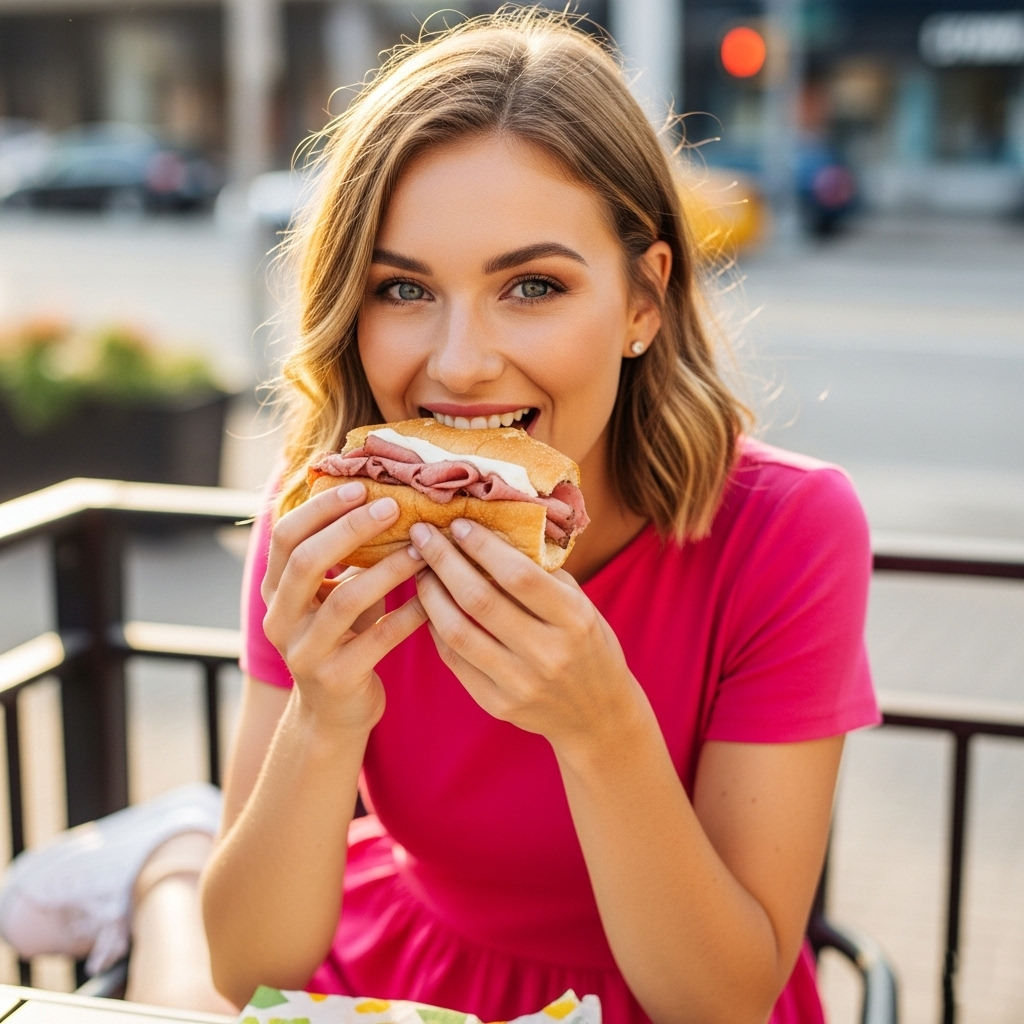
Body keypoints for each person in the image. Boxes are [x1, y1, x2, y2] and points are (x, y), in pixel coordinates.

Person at [0, 10, 878, 1024]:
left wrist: (601, 730)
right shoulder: (328, 522)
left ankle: (165, 853)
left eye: (532, 286)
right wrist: (324, 717)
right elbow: (247, 963)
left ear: (644, 299)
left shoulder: (787, 530)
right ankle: (173, 863)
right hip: (397, 972)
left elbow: (721, 998)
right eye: (404, 287)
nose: (459, 363)